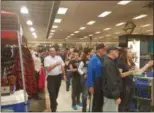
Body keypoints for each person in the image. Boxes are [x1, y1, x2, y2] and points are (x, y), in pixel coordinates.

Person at [44, 47, 65, 112]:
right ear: (49, 52)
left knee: (56, 92)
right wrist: (56, 64)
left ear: (56, 51)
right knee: (52, 93)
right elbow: (48, 69)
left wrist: (63, 74)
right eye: (51, 51)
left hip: (58, 77)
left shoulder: (59, 57)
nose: (52, 52)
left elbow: (62, 65)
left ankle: (54, 102)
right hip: (51, 78)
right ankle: (53, 108)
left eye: (53, 51)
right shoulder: (46, 59)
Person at [87, 44, 107, 112]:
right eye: (104, 49)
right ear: (99, 50)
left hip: (101, 82)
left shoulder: (103, 58)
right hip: (96, 82)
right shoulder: (94, 59)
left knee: (100, 102)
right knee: (96, 102)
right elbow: (90, 73)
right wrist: (90, 86)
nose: (105, 51)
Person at [102, 46, 122, 112]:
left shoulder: (110, 62)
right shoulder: (109, 63)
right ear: (111, 51)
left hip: (110, 94)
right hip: (111, 96)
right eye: (116, 51)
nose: (118, 52)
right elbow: (111, 81)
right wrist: (116, 96)